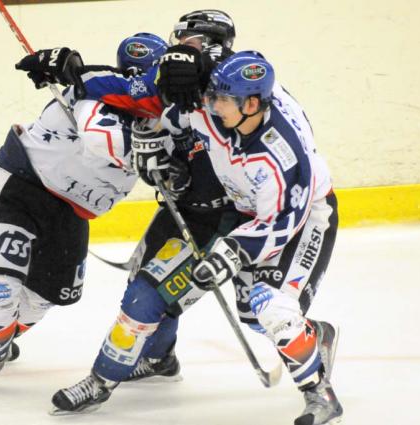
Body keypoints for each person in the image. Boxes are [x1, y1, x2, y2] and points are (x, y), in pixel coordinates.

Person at [50, 52, 344, 425]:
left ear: (251, 104)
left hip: (303, 219)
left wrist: (229, 255)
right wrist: (146, 138)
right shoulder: (211, 108)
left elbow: (281, 222)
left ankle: (321, 394)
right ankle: (103, 379)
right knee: (251, 316)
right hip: (242, 213)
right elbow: (156, 112)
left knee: (271, 309)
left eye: (222, 99)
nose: (212, 103)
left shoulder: (280, 154)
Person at [17, 10, 244, 386]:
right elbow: (118, 85)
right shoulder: (169, 79)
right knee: (147, 285)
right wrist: (70, 70)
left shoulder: (238, 88)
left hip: (233, 215)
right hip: (188, 207)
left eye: (184, 41)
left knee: (260, 307)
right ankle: (155, 359)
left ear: (208, 42)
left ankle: (310, 356)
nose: (175, 49)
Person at [0, 33, 167, 393]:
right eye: (130, 75)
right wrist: (151, 151)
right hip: (21, 188)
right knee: (0, 284)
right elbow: (101, 139)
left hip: (72, 212)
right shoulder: (89, 96)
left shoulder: (162, 117)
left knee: (49, 295)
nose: (136, 84)